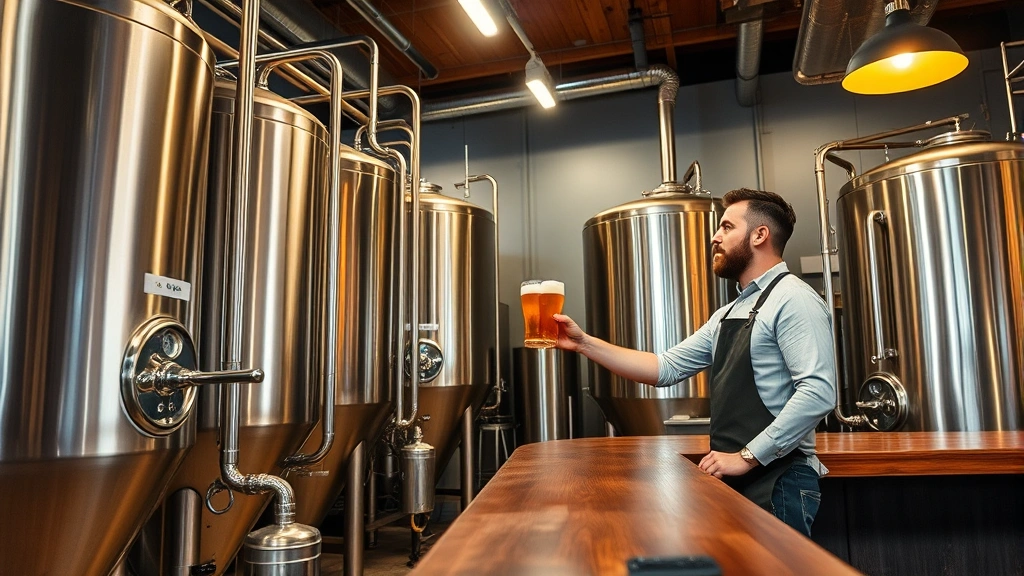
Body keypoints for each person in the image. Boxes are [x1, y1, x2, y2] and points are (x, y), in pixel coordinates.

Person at [554, 188, 835, 537]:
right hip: (734, 478)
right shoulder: (729, 314)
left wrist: (747, 456)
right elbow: (665, 368)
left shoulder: (794, 299)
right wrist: (584, 344)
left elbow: (818, 393)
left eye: (726, 227)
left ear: (760, 235)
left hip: (778, 479)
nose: (714, 237)